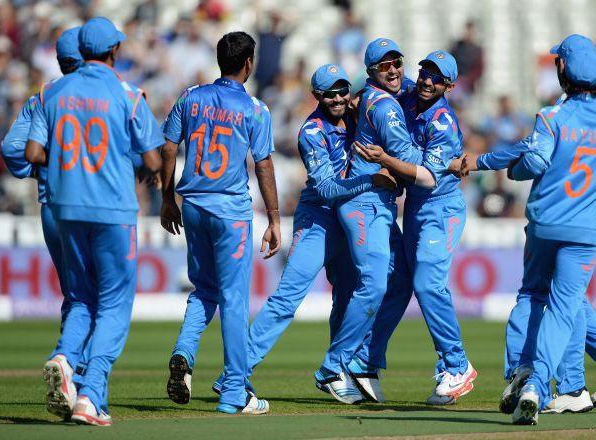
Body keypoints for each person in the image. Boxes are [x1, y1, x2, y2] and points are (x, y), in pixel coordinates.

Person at [478, 34, 596, 425]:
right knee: (564, 305)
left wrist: (509, 169)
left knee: (533, 294)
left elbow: (532, 162)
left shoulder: (554, 116)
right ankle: (551, 384)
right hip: (589, 229)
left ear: (562, 68)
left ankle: (533, 377)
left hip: (547, 223)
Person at [210, 64, 397, 395]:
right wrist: (372, 179)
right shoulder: (311, 132)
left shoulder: (359, 117)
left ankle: (337, 369)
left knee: (350, 294)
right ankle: (235, 375)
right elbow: (326, 189)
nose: (338, 98)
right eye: (330, 93)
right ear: (317, 96)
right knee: (288, 296)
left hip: (351, 219)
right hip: (320, 217)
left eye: (343, 91)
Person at [25, 17, 163, 426]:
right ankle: (91, 393)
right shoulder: (127, 93)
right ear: (114, 51)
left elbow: (33, 151)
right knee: (115, 303)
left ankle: (65, 357)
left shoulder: (52, 91)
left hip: (65, 207)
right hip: (113, 210)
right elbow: (153, 159)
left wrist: (73, 162)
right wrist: (139, 167)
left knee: (82, 297)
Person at [160, 31, 281, 415]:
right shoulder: (255, 109)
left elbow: (168, 146)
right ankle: (234, 392)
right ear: (249, 63)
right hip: (230, 213)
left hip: (192, 205)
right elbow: (262, 164)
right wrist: (275, 218)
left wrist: (166, 198)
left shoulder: (190, 97)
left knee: (204, 290)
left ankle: (184, 351)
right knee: (233, 299)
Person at [354, 51, 476, 405]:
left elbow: (424, 177)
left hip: (441, 208)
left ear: (449, 86)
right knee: (401, 282)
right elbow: (379, 83)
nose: (426, 80)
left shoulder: (443, 123)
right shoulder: (408, 93)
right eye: (425, 71)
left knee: (427, 283)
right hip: (417, 209)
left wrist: (385, 160)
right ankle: (367, 361)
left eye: (436, 78)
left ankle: (457, 365)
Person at [313, 38, 422, 404]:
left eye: (398, 63)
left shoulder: (383, 94)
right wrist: (446, 162)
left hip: (380, 202)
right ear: (372, 72)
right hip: (363, 202)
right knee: (374, 285)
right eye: (385, 66)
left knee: (401, 281)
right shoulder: (385, 108)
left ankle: (364, 359)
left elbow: (404, 87)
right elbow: (408, 155)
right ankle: (334, 365)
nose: (394, 70)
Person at [1, 26, 88, 420]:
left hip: (52, 204)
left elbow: (11, 149)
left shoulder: (44, 95)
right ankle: (72, 366)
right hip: (94, 204)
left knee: (75, 293)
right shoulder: (100, 91)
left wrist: (42, 169)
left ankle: (72, 372)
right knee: (99, 296)